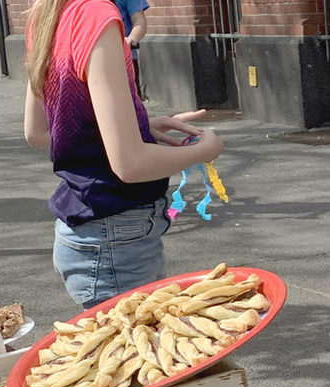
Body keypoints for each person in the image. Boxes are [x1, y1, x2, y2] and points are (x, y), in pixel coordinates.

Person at [23, 0, 221, 310]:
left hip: (87, 233)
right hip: (117, 239)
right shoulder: (98, 15)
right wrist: (203, 151)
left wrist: (138, 126)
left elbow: (37, 132)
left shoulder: (46, 13)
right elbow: (130, 164)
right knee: (145, 351)